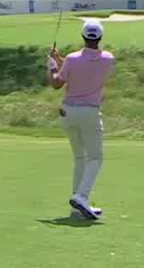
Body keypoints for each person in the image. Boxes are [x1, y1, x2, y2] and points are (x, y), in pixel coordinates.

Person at [48, 18, 116, 221]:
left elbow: (57, 83)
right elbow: (84, 70)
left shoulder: (72, 59)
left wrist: (52, 65)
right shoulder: (108, 59)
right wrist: (60, 61)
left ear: (83, 37)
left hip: (68, 113)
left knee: (80, 158)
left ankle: (78, 205)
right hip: (90, 113)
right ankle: (81, 196)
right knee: (95, 158)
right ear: (101, 37)